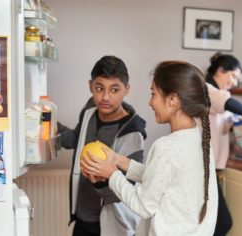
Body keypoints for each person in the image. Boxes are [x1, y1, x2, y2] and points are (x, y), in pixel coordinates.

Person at [81, 60, 218, 236]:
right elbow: (160, 177)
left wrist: (112, 174)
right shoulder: (199, 138)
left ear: (172, 99)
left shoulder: (166, 147)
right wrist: (118, 160)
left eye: (153, 94)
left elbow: (143, 206)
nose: (150, 102)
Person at [58, 55, 147, 236]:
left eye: (114, 90)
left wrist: (100, 181)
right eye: (99, 88)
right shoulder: (90, 109)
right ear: (90, 85)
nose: (105, 97)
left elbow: (125, 193)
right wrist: (49, 124)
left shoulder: (133, 132)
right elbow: (76, 139)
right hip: (84, 218)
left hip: (114, 227)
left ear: (126, 89)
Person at [205, 52, 242, 236]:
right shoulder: (205, 89)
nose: (234, 82)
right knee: (222, 223)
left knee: (212, 224)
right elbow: (228, 103)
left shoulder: (219, 94)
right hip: (202, 168)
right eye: (233, 76)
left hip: (212, 169)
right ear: (220, 70)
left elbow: (228, 120)